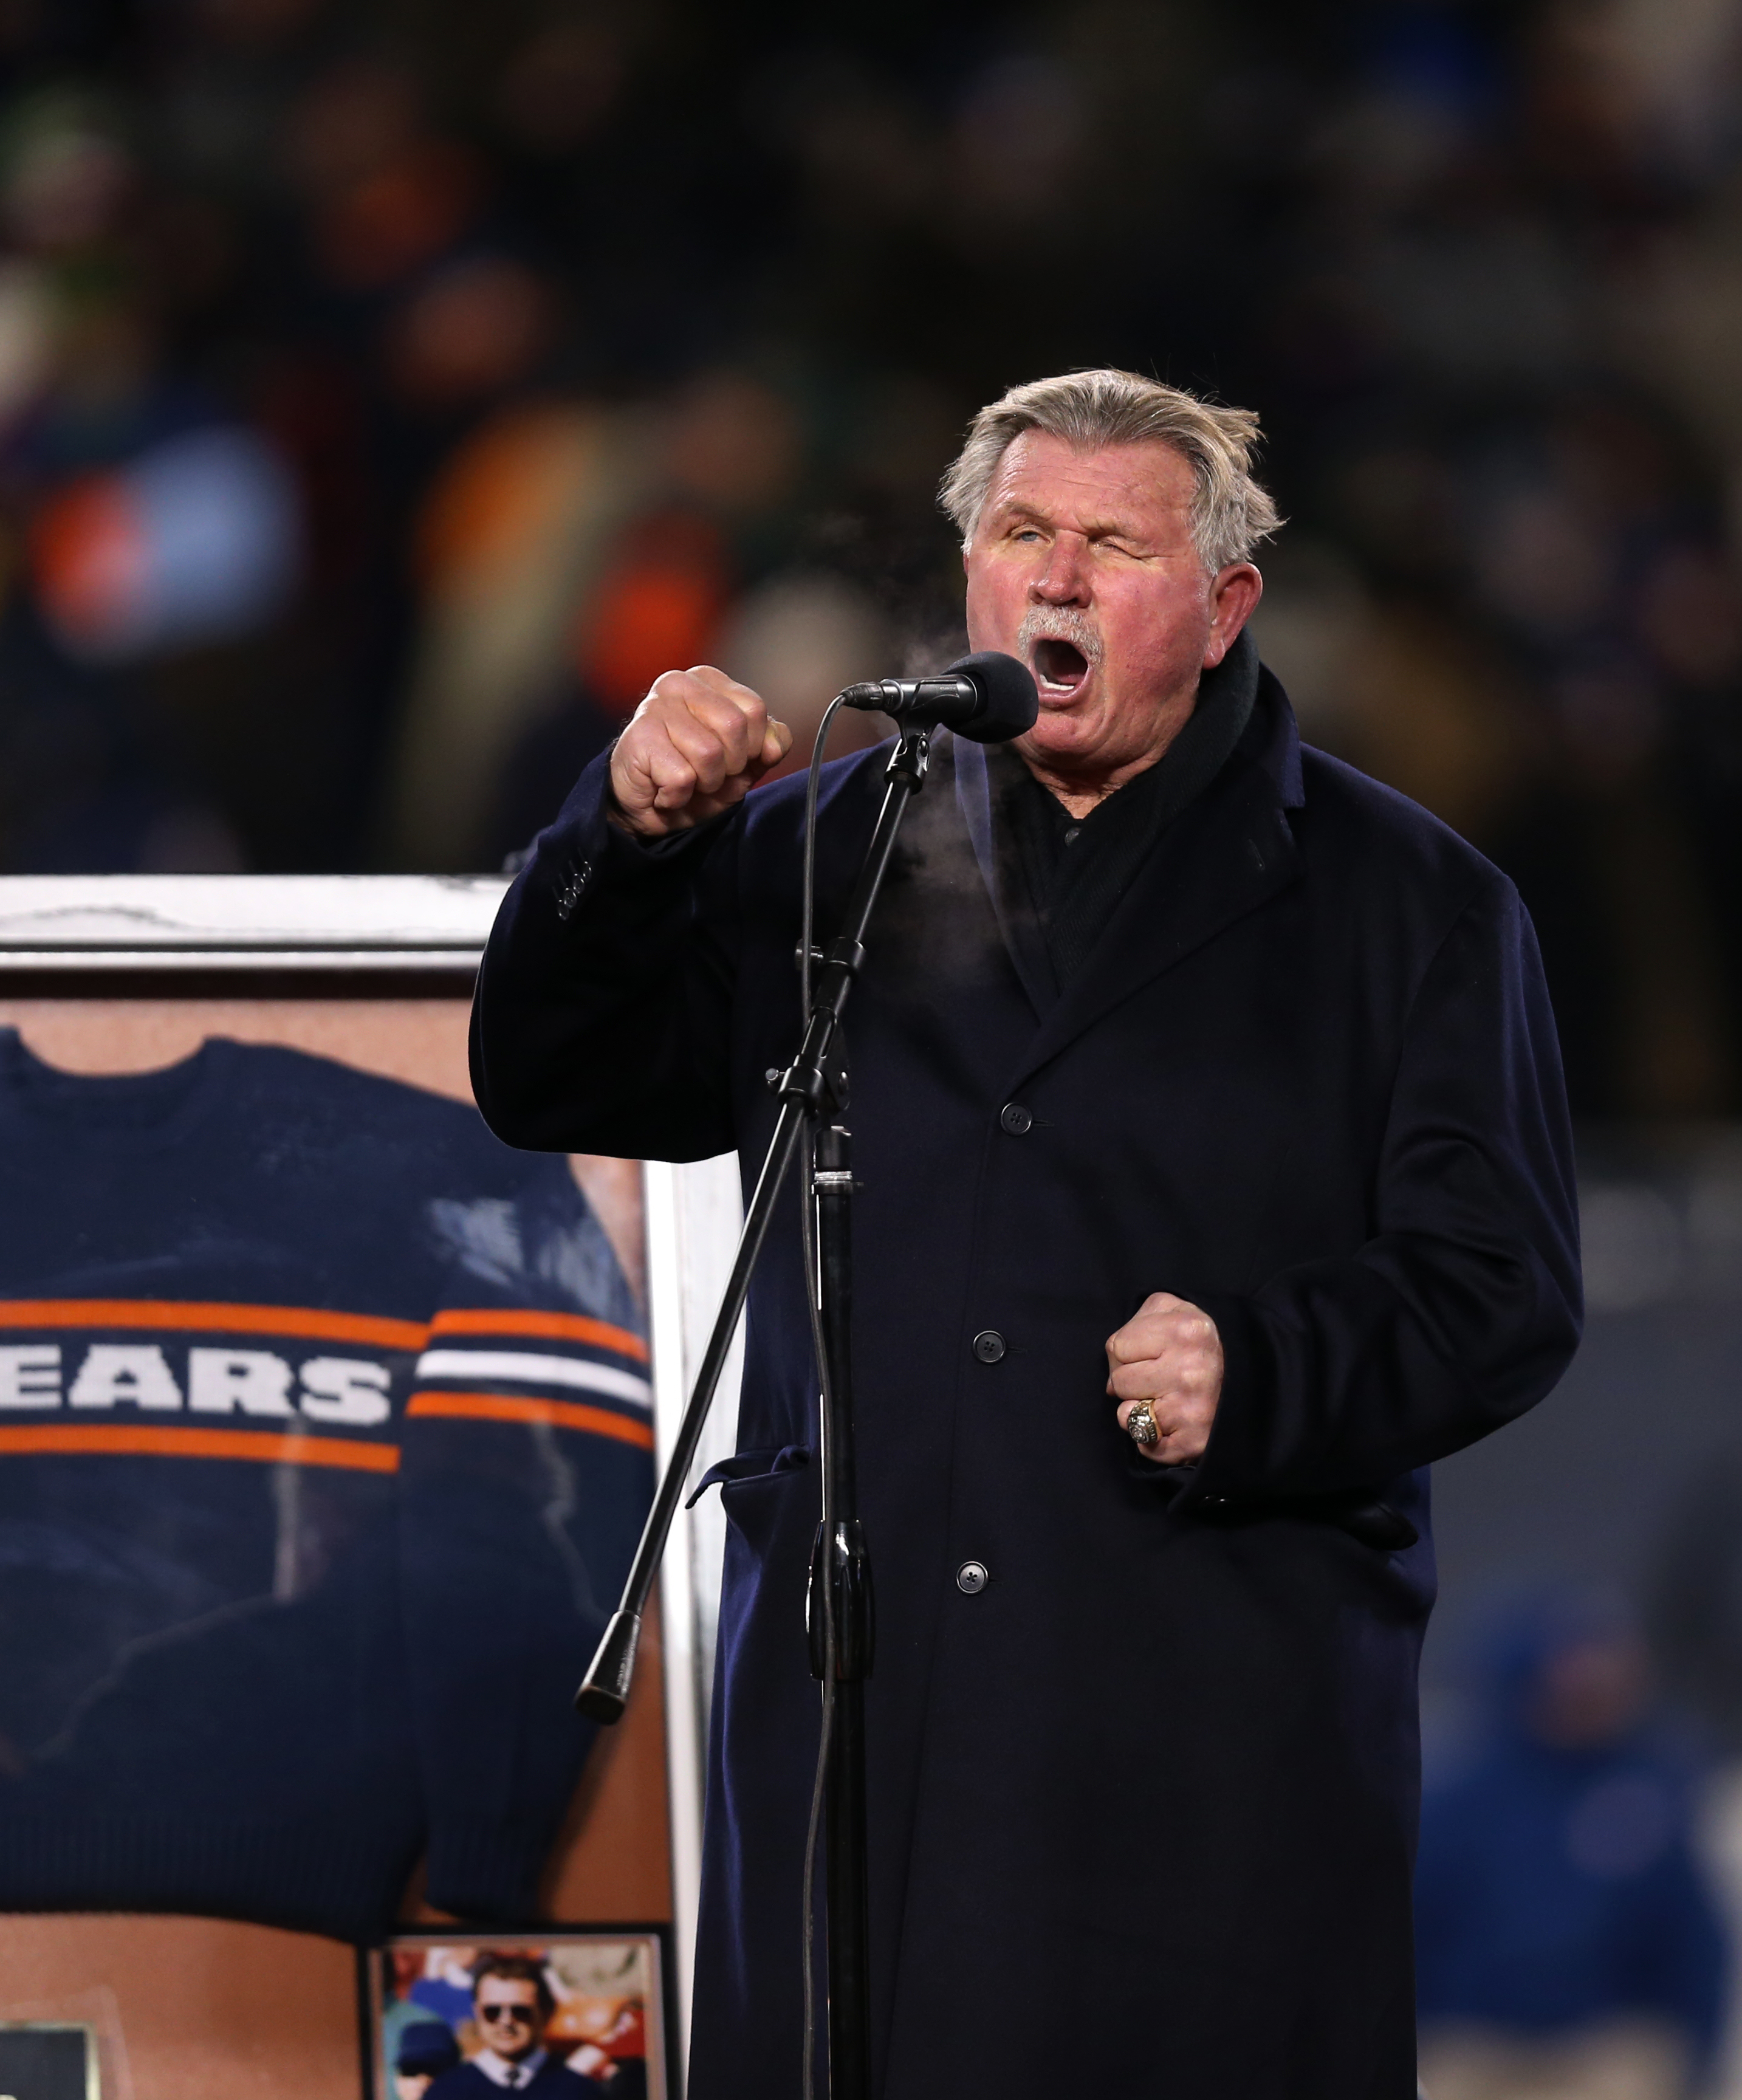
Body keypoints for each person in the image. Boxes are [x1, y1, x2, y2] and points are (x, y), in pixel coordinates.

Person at [473, 368, 1582, 2097]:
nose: (1056, 580)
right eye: (1021, 534)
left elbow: (1502, 1289)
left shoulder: (1410, 905)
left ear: (1222, 610)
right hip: (862, 1727)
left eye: (1114, 545)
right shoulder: (820, 854)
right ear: (969, 576)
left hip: (1200, 1742)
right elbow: (552, 1074)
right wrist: (614, 834)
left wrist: (1267, 1370)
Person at [1416, 1595, 1729, 2100]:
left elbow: (1696, 1942)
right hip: (1472, 2050)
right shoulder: (1455, 1791)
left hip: (1601, 2051)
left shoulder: (1652, 1788)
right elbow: (1412, 1927)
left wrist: (1702, 2062)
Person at [425, 1955, 600, 2100]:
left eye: (520, 2011)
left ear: (545, 2013)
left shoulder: (580, 2092)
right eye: (493, 2011)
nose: (506, 2021)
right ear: (477, 2013)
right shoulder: (445, 2093)